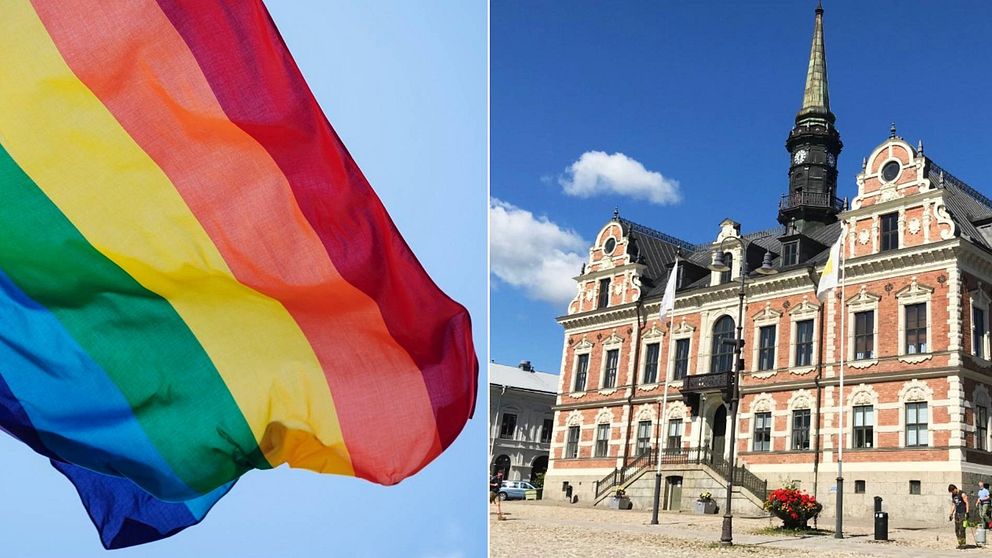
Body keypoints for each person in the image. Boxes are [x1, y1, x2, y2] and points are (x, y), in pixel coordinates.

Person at [949, 483, 970, 549]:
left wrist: (967, 512)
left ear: (955, 489)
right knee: (956, 530)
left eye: (952, 491)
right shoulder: (953, 495)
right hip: (957, 514)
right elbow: (953, 505)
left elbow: (967, 503)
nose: (952, 493)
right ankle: (960, 543)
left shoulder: (962, 494)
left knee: (962, 529)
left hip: (962, 513)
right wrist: (951, 514)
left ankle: (963, 544)